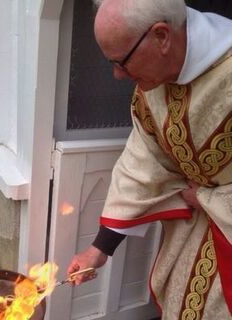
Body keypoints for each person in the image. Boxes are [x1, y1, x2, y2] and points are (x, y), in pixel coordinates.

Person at [67, 0, 232, 319]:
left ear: (161, 36)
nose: (117, 75)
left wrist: (210, 198)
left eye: (121, 62)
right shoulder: (151, 88)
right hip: (194, 236)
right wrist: (99, 250)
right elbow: (142, 164)